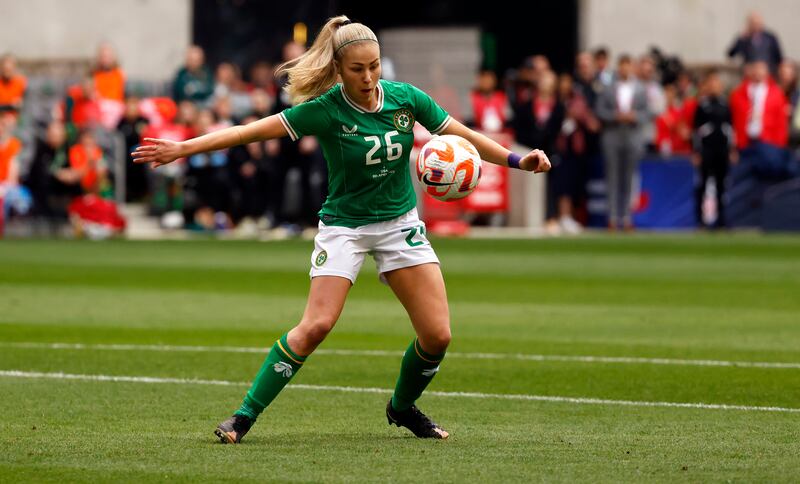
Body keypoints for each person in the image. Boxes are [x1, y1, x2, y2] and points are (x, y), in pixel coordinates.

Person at [132, 15, 550, 444]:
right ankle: (243, 416)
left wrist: (519, 161)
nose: (369, 77)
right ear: (338, 70)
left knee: (438, 335)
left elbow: (463, 135)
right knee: (316, 325)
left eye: (375, 66)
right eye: (357, 69)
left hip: (399, 224)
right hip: (344, 228)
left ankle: (401, 409)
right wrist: (183, 147)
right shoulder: (325, 110)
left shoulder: (406, 99)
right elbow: (246, 132)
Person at [596, 55, 648, 231]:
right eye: (622, 66)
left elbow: (646, 112)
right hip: (613, 134)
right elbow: (600, 110)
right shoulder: (608, 87)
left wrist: (634, 116)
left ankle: (626, 217)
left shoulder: (640, 88)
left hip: (632, 135)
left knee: (629, 177)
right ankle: (612, 217)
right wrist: (615, 116)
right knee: (612, 177)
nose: (625, 70)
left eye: (628, 66)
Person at [692, 70, 736, 229]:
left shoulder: (726, 105)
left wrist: (732, 149)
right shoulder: (702, 106)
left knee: (721, 185)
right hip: (706, 150)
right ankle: (700, 220)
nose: (714, 86)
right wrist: (696, 151)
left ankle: (722, 220)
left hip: (722, 150)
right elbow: (696, 131)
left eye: (717, 83)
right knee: (702, 184)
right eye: (711, 83)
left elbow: (730, 129)